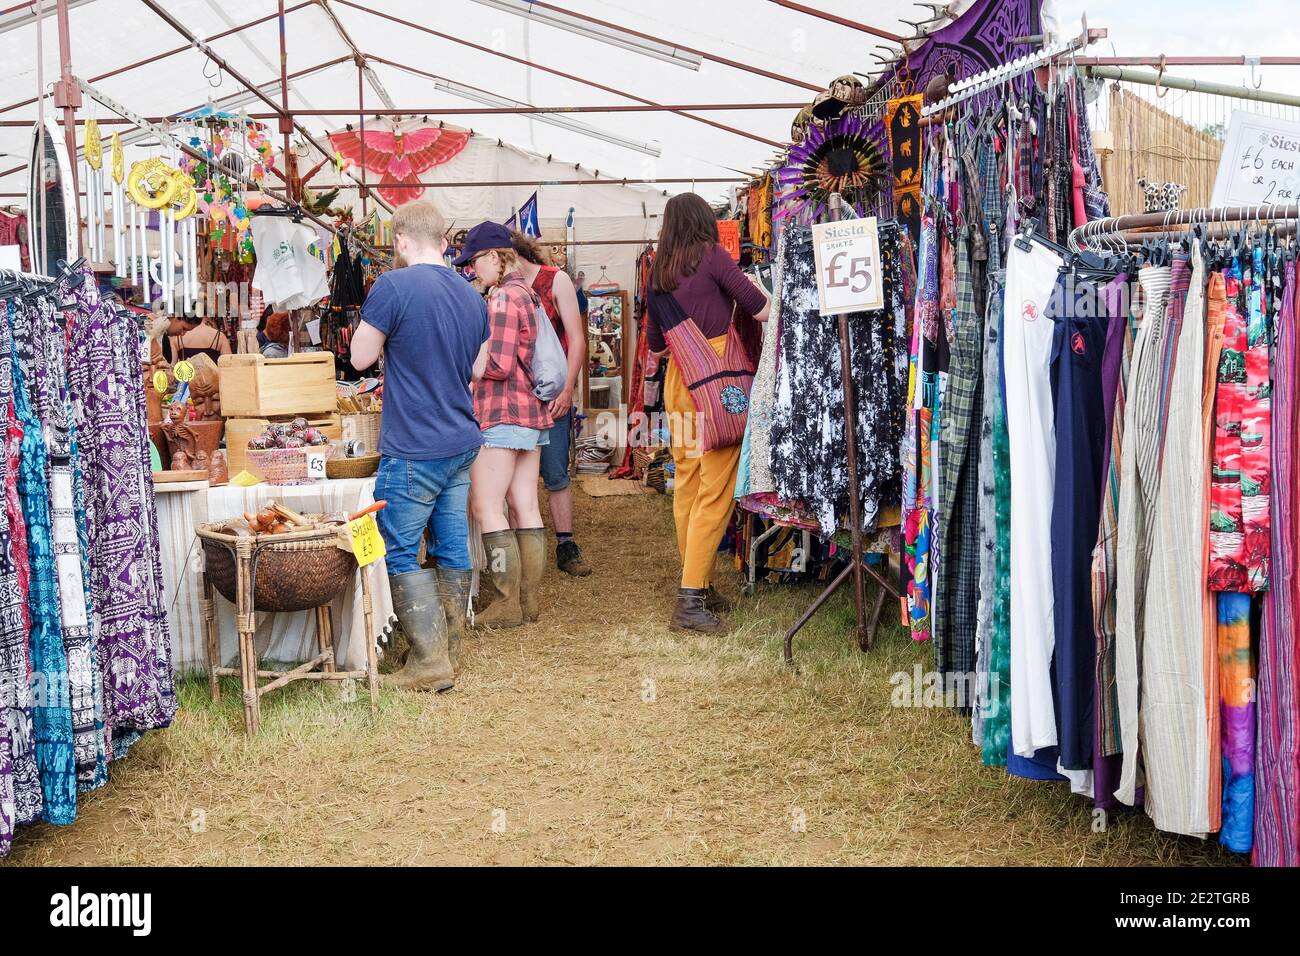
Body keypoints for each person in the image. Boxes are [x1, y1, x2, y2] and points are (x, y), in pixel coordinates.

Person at [351, 201, 491, 692]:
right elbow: (477, 370)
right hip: (460, 439)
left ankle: (429, 662)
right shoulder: (473, 296)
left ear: (402, 239)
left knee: (399, 548)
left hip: (414, 444)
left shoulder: (392, 286)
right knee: (452, 543)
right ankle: (446, 648)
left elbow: (361, 356)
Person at [644, 192, 770, 634]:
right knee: (715, 492)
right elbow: (760, 307)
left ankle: (698, 582)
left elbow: (656, 347)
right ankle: (690, 601)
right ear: (703, 221)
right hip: (716, 387)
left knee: (688, 487)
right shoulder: (712, 256)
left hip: (681, 386)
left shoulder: (656, 274)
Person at [454, 222, 553, 628]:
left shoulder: (502, 299)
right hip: (530, 414)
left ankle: (506, 601)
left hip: (499, 414)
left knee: (486, 506)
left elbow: (497, 364)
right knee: (525, 505)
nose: (472, 269)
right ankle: (527, 602)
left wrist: (464, 363)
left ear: (495, 257)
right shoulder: (528, 294)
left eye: (475, 261)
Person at [510, 231, 591, 577]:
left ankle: (566, 544)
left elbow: (577, 339)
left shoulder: (555, 280)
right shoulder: (502, 290)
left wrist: (567, 388)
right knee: (515, 476)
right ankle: (521, 550)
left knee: (555, 472)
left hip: (551, 395)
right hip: (514, 398)